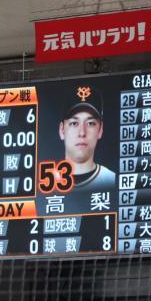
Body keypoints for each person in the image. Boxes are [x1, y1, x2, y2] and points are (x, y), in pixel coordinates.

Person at [42, 87, 115, 215]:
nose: (82, 132)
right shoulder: (44, 182)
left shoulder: (112, 180)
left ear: (100, 130)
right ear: (62, 130)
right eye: (74, 123)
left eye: (90, 123)